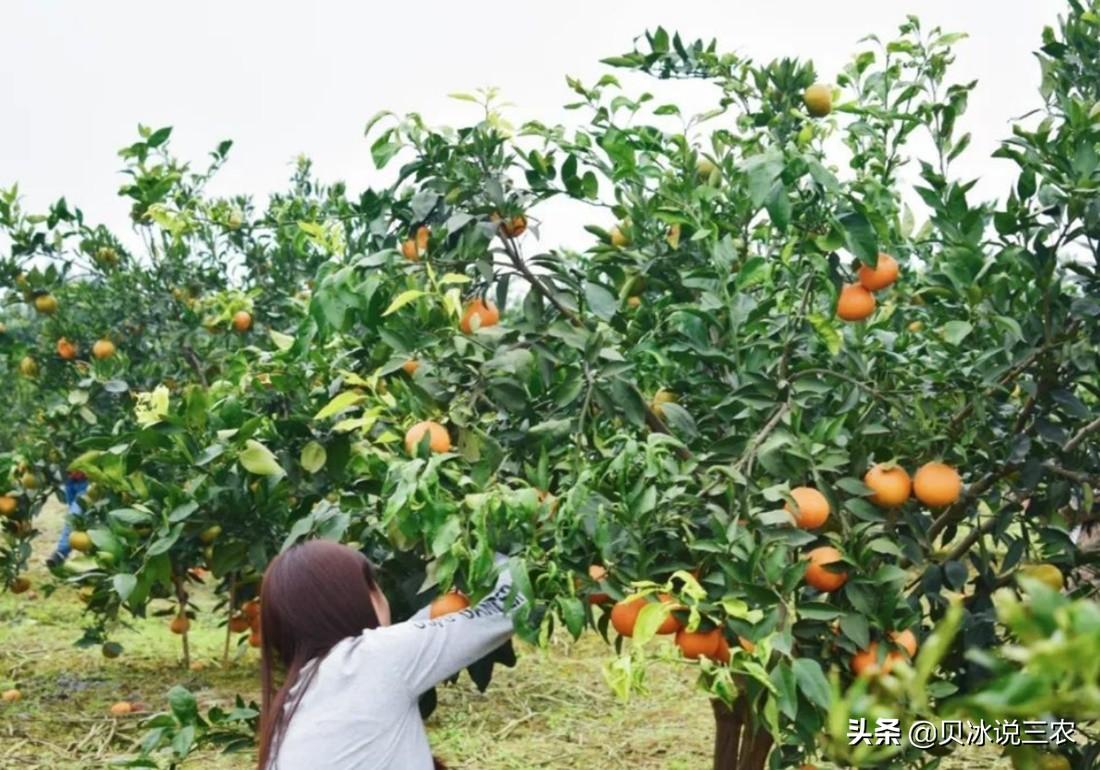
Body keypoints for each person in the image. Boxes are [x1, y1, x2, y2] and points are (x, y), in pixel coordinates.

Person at [257, 540, 523, 770]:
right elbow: (510, 604)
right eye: (374, 585)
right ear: (355, 599)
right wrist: (491, 550)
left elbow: (424, 628)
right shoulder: (377, 658)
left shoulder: (298, 697)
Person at [46, 470, 89, 569]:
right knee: (77, 516)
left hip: (87, 483)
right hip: (70, 483)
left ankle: (60, 553)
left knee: (74, 515)